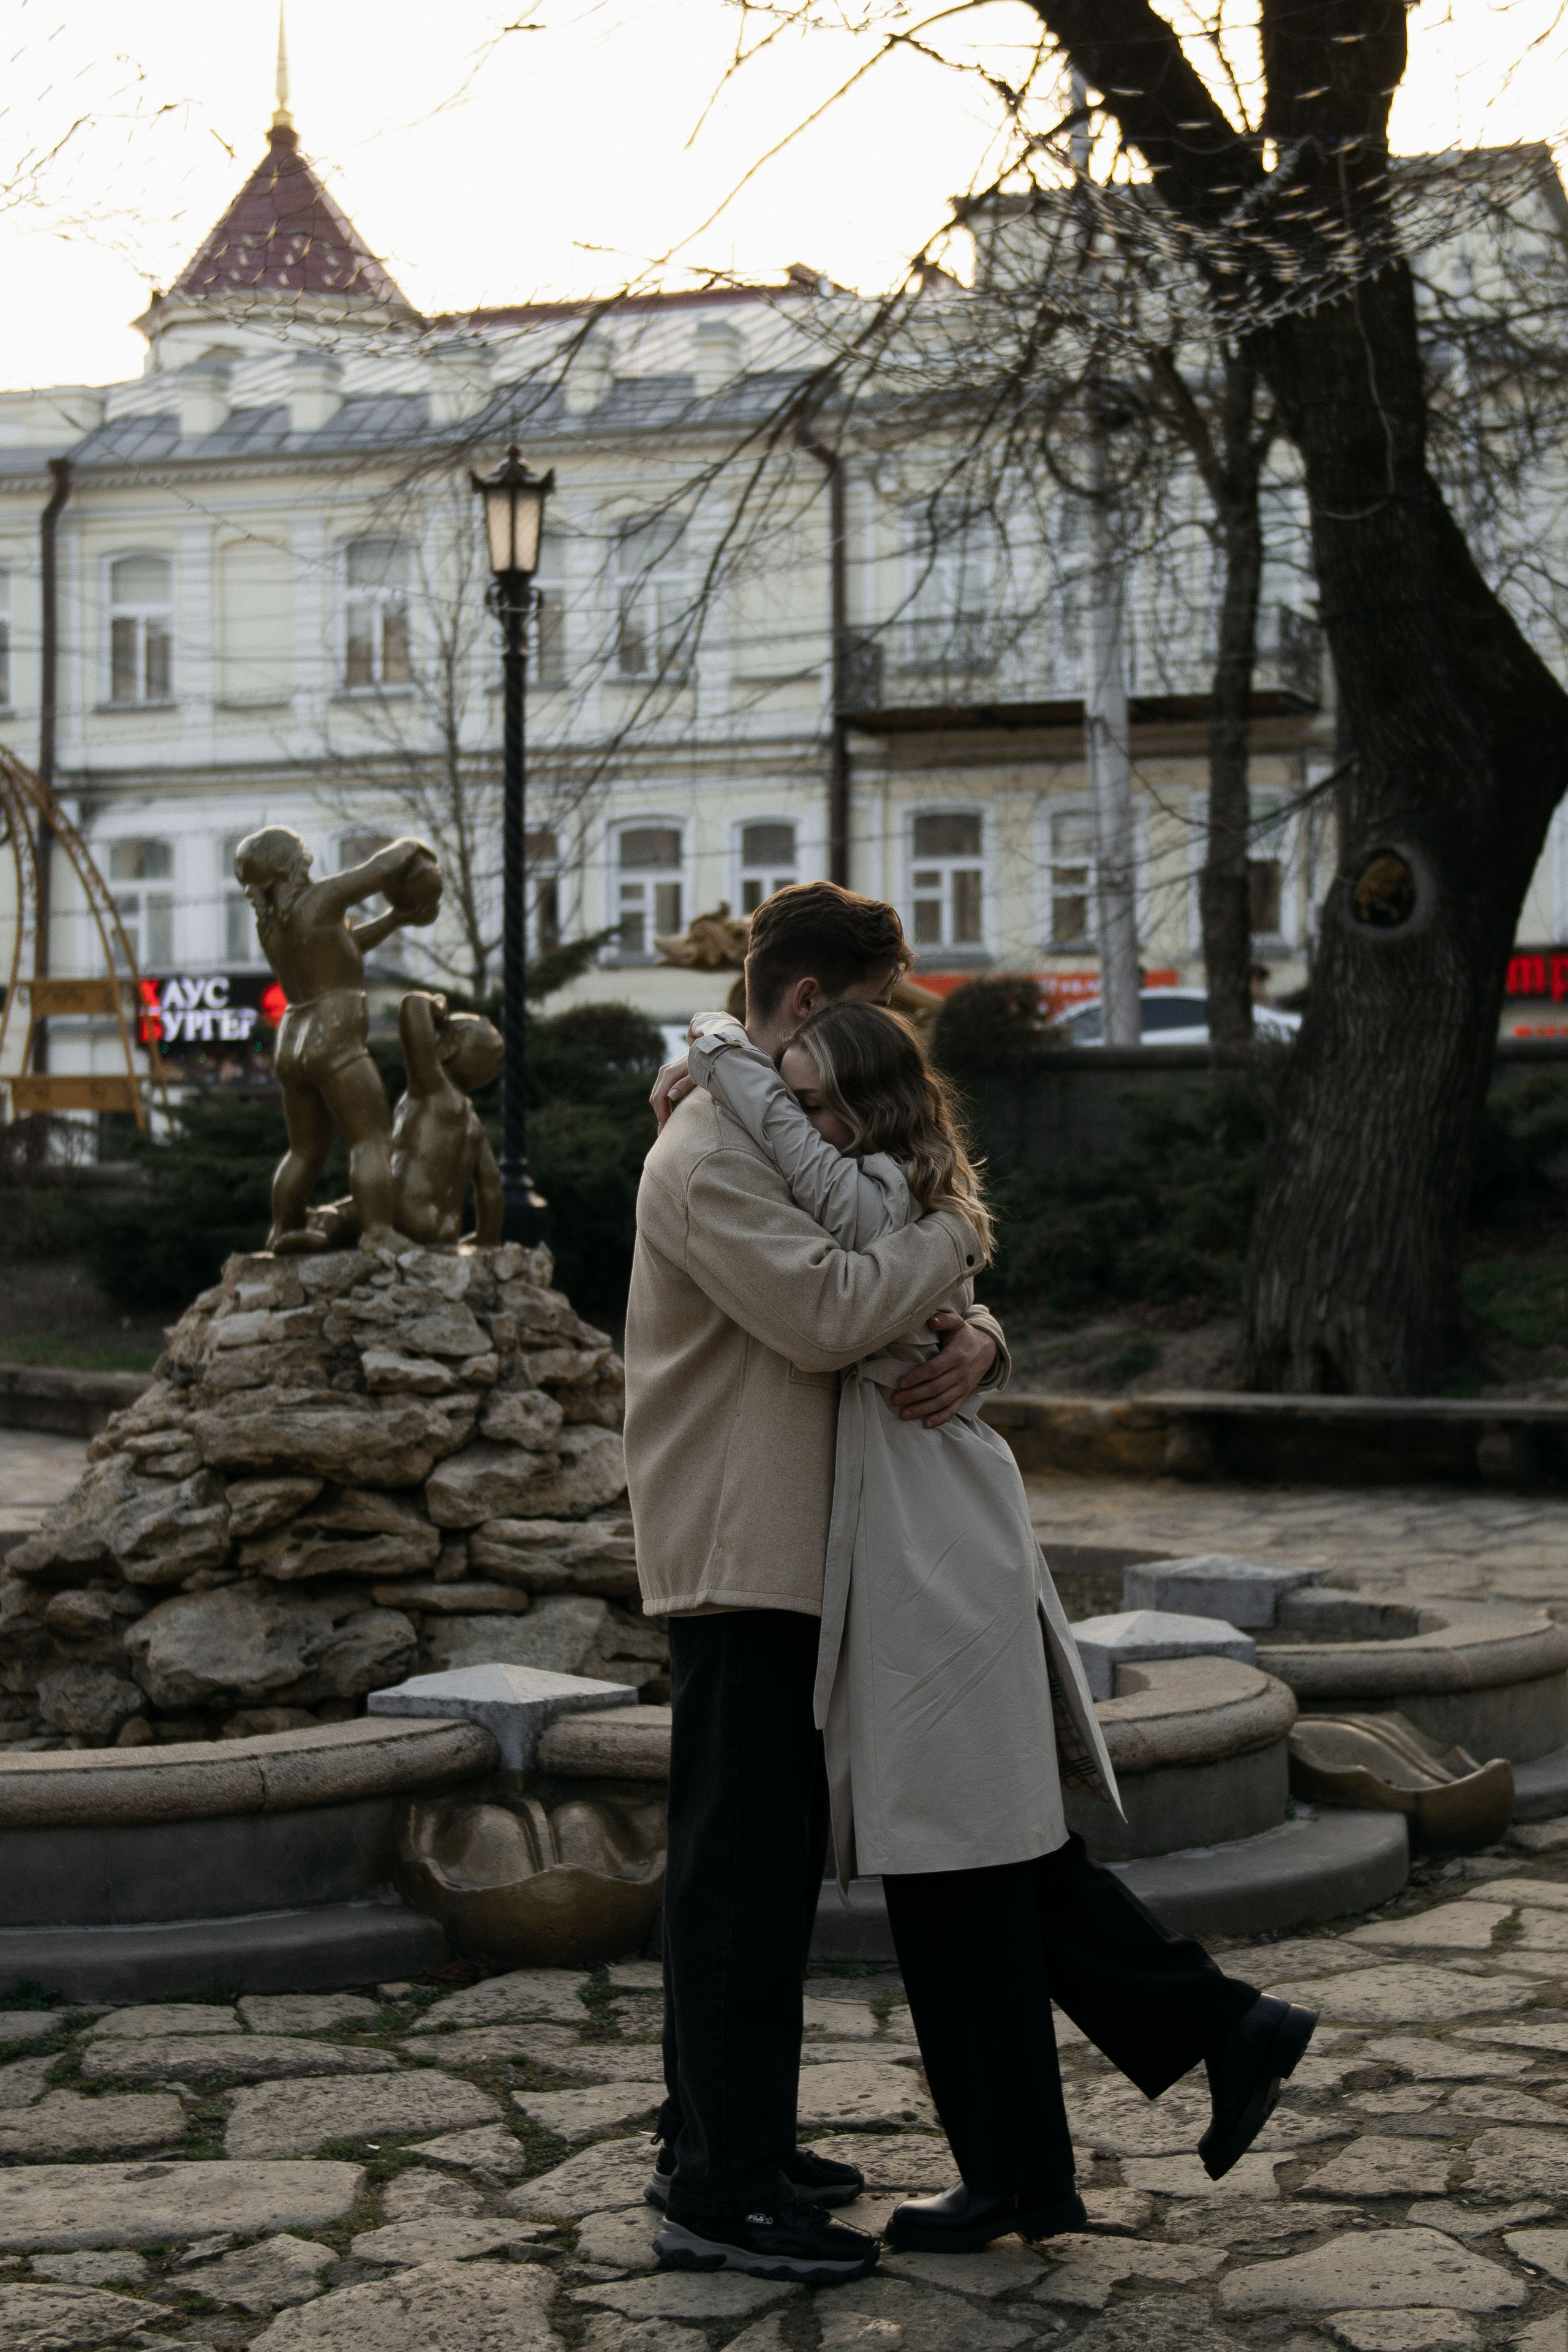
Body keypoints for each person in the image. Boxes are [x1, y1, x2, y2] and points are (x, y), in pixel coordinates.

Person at [680, 1001, 1317, 2253]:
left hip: (933, 1540)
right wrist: (974, 1308)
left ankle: (1112, 2107)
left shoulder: (876, 1195)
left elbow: (845, 1297)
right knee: (978, 1856)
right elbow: (893, 1286)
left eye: (821, 1100)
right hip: (911, 1533)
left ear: (873, 1105)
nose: (800, 1124)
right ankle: (1165, 2067)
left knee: (962, 1853)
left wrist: (715, 1053)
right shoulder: (896, 1195)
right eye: (790, 1096)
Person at [624, 881, 1009, 2289]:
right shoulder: (707, 1150)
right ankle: (716, 2193)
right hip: (741, 1551)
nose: (885, 1039)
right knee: (736, 1877)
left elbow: (879, 1271)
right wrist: (961, 1236)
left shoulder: (779, 1129)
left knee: (759, 1871)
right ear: (804, 1003)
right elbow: (831, 1310)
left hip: (801, 1548)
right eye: (872, 1010)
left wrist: (982, 1333)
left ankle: (724, 2136)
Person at [232, 824, 440, 1254]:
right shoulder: (321, 900)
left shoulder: (271, 926)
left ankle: (283, 1228)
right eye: (301, 854)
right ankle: (379, 1232)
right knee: (371, 1139)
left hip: (293, 1039)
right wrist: (413, 847)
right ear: (289, 864)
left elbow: (343, 945)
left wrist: (396, 919)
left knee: (304, 1150)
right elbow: (379, 870)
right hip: (334, 1035)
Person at [298, 991, 504, 1250]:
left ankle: (320, 1231)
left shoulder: (435, 1092)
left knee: (339, 1214)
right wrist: (488, 1238)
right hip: (445, 1230)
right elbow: (491, 1187)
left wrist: (436, 1007)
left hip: (406, 1213)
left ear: (448, 1049)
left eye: (440, 1031)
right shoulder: (473, 1123)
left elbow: (412, 1005)